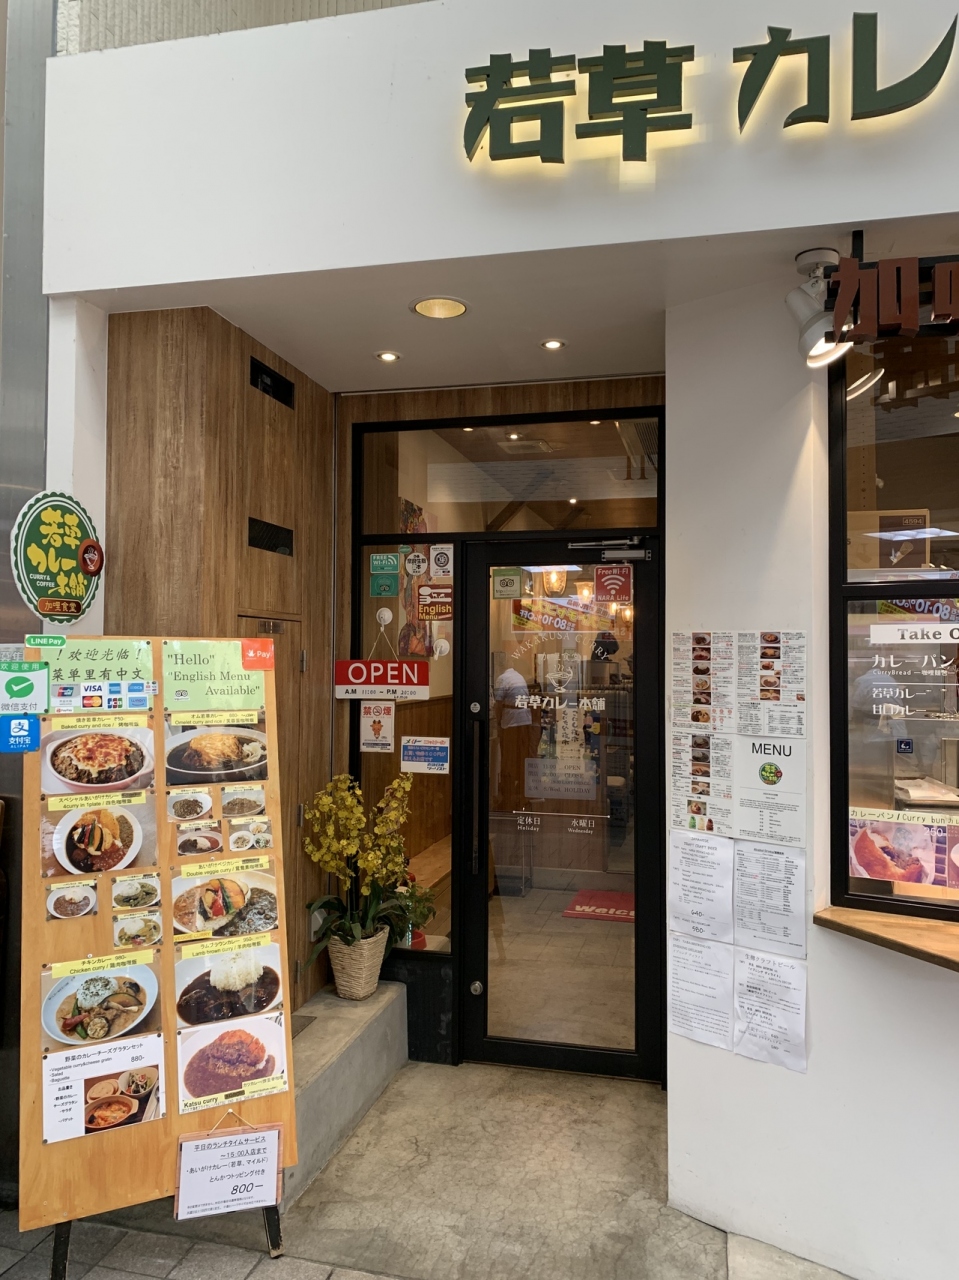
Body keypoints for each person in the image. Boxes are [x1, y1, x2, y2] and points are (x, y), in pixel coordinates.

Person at [493, 666, 537, 809]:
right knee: (522, 759)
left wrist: (498, 723)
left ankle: (508, 798)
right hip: (525, 721)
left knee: (508, 761)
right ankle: (522, 796)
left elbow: (498, 705)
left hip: (512, 722)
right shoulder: (518, 676)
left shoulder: (502, 679)